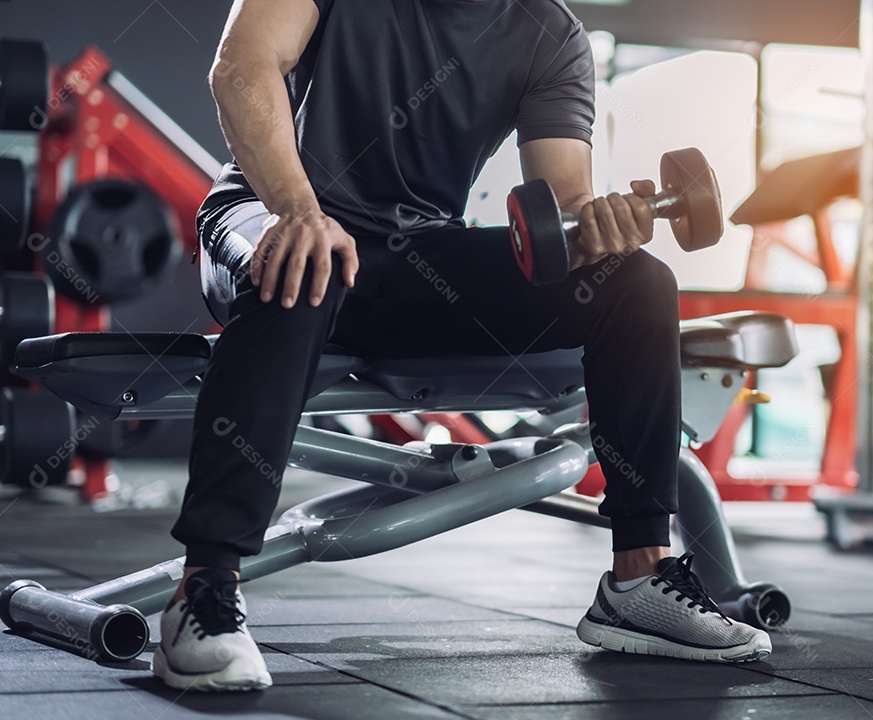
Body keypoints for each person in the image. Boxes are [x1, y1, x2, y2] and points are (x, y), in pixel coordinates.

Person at [152, 0, 772, 692]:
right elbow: (241, 66)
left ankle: (639, 578)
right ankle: (204, 589)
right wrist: (300, 210)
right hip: (268, 212)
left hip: (415, 254)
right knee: (305, 263)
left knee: (636, 282)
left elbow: (562, 208)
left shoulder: (549, 34)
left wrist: (600, 227)